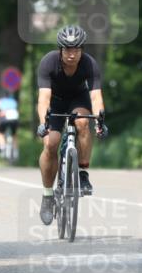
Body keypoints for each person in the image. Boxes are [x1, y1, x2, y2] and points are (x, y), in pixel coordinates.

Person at [35, 25, 108, 225]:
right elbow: (43, 99)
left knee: (83, 123)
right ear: (60, 49)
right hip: (55, 101)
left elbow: (96, 97)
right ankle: (48, 195)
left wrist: (100, 122)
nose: (71, 54)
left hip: (78, 99)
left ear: (82, 50)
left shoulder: (89, 64)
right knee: (51, 143)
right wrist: (43, 123)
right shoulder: (48, 62)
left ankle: (83, 174)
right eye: (67, 49)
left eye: (76, 49)